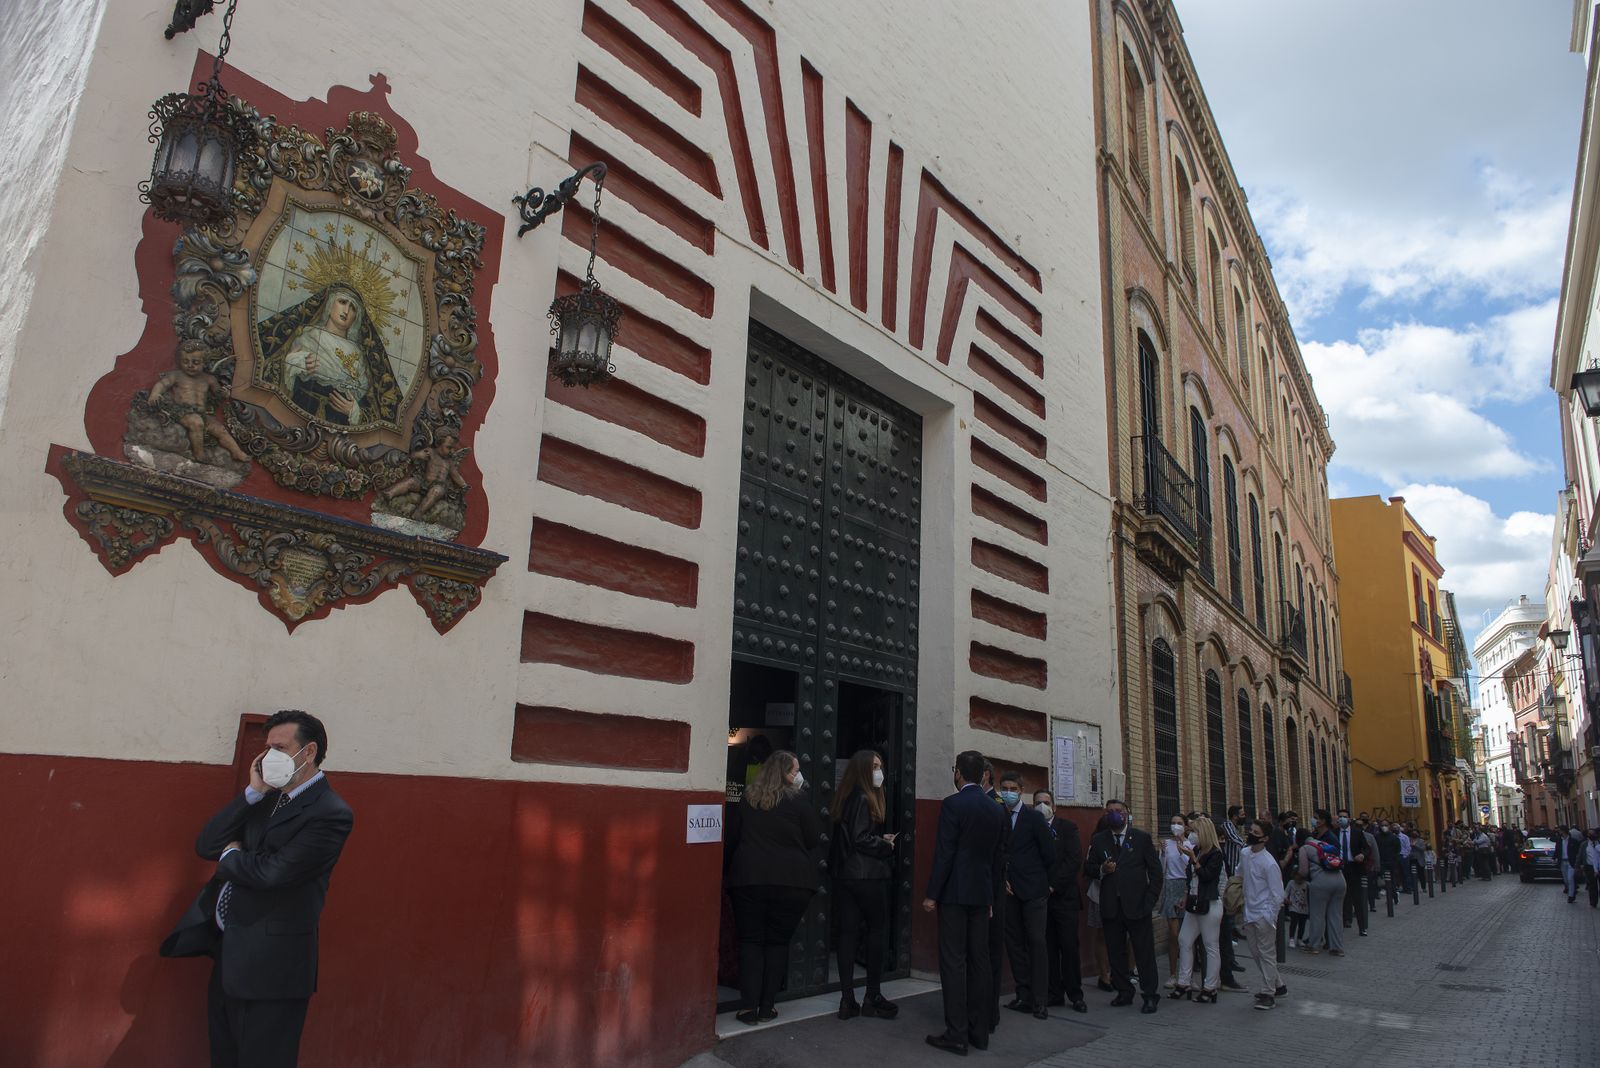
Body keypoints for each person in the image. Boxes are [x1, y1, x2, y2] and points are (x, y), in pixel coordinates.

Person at [160, 710, 354, 1068]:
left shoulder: (330, 812)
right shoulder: (267, 798)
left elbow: (273, 873)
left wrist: (232, 855)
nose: (269, 757)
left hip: (272, 972)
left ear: (308, 752)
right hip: (230, 957)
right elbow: (207, 845)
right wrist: (252, 792)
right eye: (266, 749)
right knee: (225, 1057)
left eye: (279, 747)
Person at [725, 750, 821, 1025]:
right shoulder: (800, 801)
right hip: (793, 882)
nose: (798, 776)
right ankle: (768, 1006)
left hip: (749, 879)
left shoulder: (748, 799)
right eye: (794, 771)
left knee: (751, 942)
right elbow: (814, 838)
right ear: (783, 773)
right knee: (777, 942)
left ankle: (748, 1008)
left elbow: (732, 837)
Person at [923, 750, 1006, 1056]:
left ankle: (956, 1033)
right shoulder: (996, 809)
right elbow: (997, 858)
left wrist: (932, 893)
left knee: (954, 962)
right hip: (982, 893)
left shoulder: (953, 804)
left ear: (959, 772)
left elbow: (946, 852)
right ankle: (979, 1031)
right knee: (980, 961)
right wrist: (990, 897)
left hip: (955, 893)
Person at [831, 749, 899, 1021]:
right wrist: (885, 845)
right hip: (867, 877)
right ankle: (872, 995)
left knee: (847, 935)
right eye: (874, 766)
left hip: (847, 876)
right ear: (861, 769)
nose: (879, 771)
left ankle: (847, 999)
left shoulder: (846, 797)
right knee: (875, 932)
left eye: (880, 765)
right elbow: (860, 838)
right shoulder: (862, 797)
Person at [1085, 799, 1162, 1013]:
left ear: (1126, 813)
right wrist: (1102, 870)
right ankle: (1124, 991)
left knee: (1143, 952)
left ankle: (1149, 995)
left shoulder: (1141, 838)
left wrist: (1149, 902)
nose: (1114, 814)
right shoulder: (1099, 840)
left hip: (1137, 907)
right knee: (1115, 952)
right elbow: (1088, 868)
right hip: (1111, 907)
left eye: (1118, 811)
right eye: (1109, 811)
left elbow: (1156, 873)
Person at [998, 773, 1054, 1019]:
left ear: (1021, 790)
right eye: (1004, 788)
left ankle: (1040, 999)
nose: (1008, 792)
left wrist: (1043, 884)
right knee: (1014, 943)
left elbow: (1049, 855)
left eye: (1012, 788)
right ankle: (1023, 994)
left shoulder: (1034, 818)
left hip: (1034, 891)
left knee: (1036, 942)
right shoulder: (998, 815)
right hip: (1008, 890)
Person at [1034, 790, 1086, 1012]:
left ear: (1054, 806)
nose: (1042, 806)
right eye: (1038, 803)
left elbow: (1073, 860)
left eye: (1046, 803)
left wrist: (1053, 885)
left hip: (1064, 898)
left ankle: (1075, 994)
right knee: (1048, 947)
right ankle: (1054, 992)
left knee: (1069, 947)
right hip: (1041, 899)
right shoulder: (1032, 827)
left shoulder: (1067, 828)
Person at [1170, 816, 1224, 1003]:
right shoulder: (1197, 851)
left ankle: (1210, 987)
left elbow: (1208, 876)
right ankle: (1184, 982)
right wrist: (1185, 897)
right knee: (1184, 940)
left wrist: (1193, 859)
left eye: (1194, 831)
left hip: (1209, 904)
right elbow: (1190, 879)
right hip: (1194, 902)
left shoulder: (1215, 853)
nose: (1191, 835)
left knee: (1210, 946)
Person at [1238, 819, 1287, 1011]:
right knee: (1255, 953)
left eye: (1255, 832)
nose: (1251, 834)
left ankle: (1268, 993)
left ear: (1265, 838)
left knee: (1266, 953)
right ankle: (1278, 984)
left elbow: (1278, 894)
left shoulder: (1269, 863)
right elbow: (1240, 874)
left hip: (1263, 914)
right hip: (1249, 911)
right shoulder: (1244, 854)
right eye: (1251, 830)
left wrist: (1269, 916)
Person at [1299, 810, 1346, 957]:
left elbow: (1303, 871)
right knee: (1336, 915)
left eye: (1316, 818)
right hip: (1339, 879)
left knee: (1317, 915)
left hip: (1321, 881)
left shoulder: (1306, 847)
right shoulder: (1325, 841)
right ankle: (1336, 947)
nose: (1314, 820)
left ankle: (1313, 945)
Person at [1157, 813, 1193, 988]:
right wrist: (1163, 853)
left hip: (1186, 886)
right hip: (1171, 886)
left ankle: (1187, 974)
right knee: (1174, 934)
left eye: (1179, 823)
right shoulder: (1166, 844)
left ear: (1186, 826)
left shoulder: (1190, 844)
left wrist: (1184, 853)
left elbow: (1191, 867)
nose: (1175, 826)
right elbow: (1162, 867)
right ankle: (1172, 973)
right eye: (1173, 823)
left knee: (1188, 936)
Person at [1216, 806, 1249, 992]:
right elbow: (1239, 843)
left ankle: (1228, 967)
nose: (1244, 817)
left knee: (1227, 930)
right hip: (1229, 880)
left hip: (1232, 880)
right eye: (1242, 814)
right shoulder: (1228, 826)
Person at [1084, 813, 1114, 992]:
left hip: (1120, 897)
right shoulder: (1095, 844)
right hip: (1099, 896)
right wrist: (1103, 870)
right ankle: (1104, 975)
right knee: (1102, 935)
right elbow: (1089, 869)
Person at [1333, 808, 1369, 936]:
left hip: (1354, 866)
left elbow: (1366, 848)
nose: (1342, 818)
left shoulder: (1357, 833)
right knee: (1342, 896)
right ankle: (1345, 920)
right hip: (1339, 868)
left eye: (1344, 816)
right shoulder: (1334, 833)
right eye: (1340, 816)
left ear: (1349, 819)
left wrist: (1362, 855)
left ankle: (1362, 926)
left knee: (1357, 897)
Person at [1556, 826, 1582, 903]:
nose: (1559, 832)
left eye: (1560, 831)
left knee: (1570, 878)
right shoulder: (1559, 841)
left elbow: (1577, 852)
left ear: (1563, 831)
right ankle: (1571, 891)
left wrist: (1579, 862)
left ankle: (1571, 896)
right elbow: (1557, 850)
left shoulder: (1573, 841)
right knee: (1566, 880)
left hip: (1571, 862)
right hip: (1563, 862)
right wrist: (1554, 857)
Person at [1583, 827, 1600, 909]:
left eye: (1593, 834)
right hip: (1590, 867)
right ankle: (1593, 902)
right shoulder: (1585, 845)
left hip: (1598, 867)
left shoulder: (1598, 844)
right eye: (1590, 834)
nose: (1591, 835)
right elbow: (1593, 858)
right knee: (1592, 885)